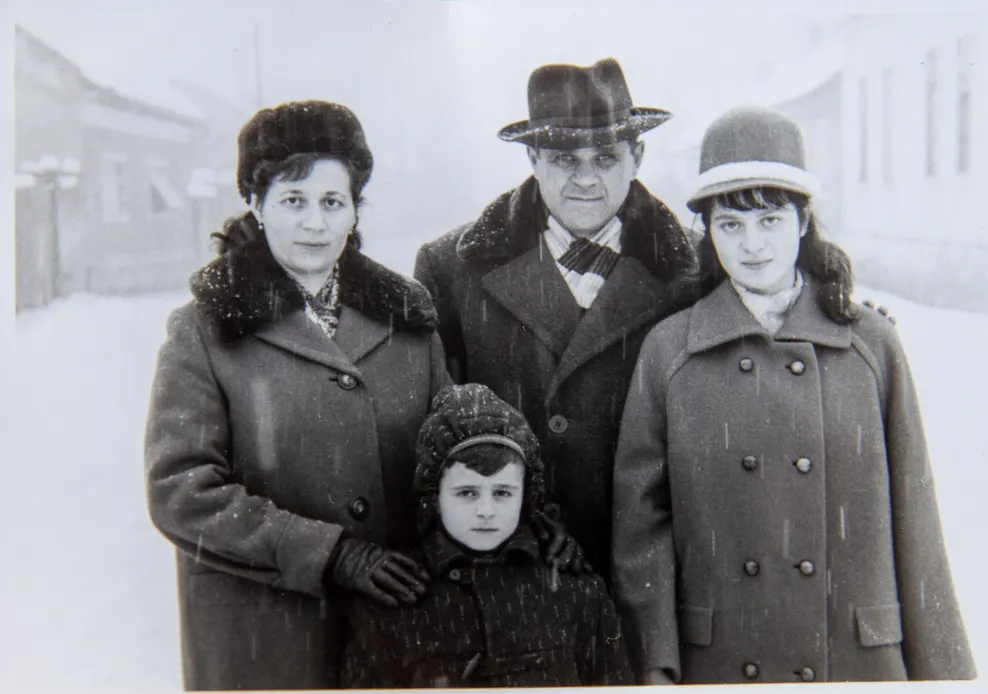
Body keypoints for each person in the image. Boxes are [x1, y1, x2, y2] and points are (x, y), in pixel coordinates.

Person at [143, 101, 581, 690]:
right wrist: (330, 554)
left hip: (399, 639)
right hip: (269, 643)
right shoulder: (205, 330)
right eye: (293, 201)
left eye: (333, 202)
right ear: (255, 202)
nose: (314, 224)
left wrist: (527, 518)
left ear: (354, 208)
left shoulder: (403, 318)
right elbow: (182, 491)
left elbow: (461, 450)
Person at [611, 106, 976, 685]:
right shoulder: (670, 352)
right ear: (707, 232)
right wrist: (656, 662)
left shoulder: (869, 344)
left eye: (771, 220)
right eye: (730, 224)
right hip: (723, 658)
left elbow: (916, 518)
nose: (752, 244)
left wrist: (941, 672)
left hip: (853, 656)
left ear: (804, 221)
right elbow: (640, 532)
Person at [414, 58, 698, 580]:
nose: (587, 179)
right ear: (533, 158)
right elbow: (435, 436)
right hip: (511, 571)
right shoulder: (452, 268)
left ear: (637, 157)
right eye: (566, 159)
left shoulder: (694, 271)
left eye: (606, 157)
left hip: (648, 569)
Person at [341, 384, 632, 688]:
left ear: (526, 497)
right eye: (467, 492)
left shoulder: (577, 594)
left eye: (503, 493)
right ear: (433, 497)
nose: (486, 510)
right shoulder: (392, 604)